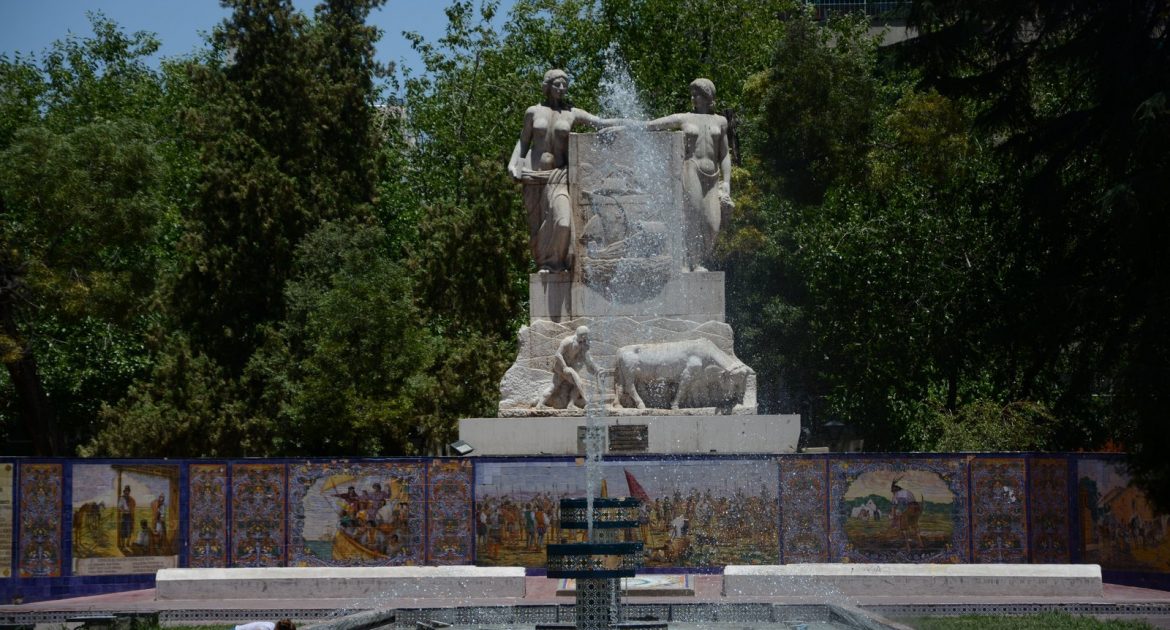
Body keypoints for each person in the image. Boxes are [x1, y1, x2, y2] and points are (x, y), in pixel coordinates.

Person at [509, 69, 625, 273]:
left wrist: (625, 126)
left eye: (565, 85)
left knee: (563, 222)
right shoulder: (533, 112)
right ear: (547, 86)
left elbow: (601, 123)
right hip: (533, 178)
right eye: (557, 84)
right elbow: (523, 141)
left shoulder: (573, 113)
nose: (562, 88)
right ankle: (547, 265)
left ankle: (556, 261)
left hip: (559, 176)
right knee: (537, 228)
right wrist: (512, 165)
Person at [643, 78, 733, 271]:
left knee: (713, 225)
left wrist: (726, 182)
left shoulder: (721, 121)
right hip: (691, 168)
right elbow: (651, 125)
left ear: (708, 96)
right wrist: (625, 126)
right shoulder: (684, 118)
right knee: (694, 215)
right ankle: (693, 262)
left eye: (697, 94)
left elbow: (725, 154)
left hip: (713, 176)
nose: (693, 98)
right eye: (692, 94)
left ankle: (696, 258)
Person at [542, 326, 599, 409]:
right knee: (579, 383)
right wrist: (564, 367)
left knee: (553, 387)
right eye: (586, 336)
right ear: (583, 336)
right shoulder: (568, 341)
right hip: (562, 367)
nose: (587, 338)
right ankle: (577, 404)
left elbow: (588, 357)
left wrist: (596, 368)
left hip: (568, 367)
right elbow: (558, 354)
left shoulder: (582, 343)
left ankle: (540, 404)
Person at [117, 485, 136, 552]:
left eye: (128, 491)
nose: (127, 492)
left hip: (130, 516)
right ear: (124, 492)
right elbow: (119, 507)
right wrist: (124, 510)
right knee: (123, 530)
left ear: (129, 492)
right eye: (126, 491)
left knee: (129, 530)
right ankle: (123, 545)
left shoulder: (131, 499)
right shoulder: (122, 498)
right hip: (124, 515)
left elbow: (133, 506)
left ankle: (127, 543)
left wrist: (131, 511)